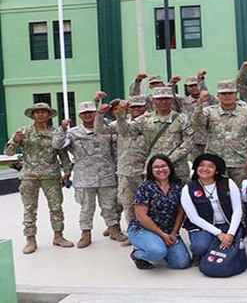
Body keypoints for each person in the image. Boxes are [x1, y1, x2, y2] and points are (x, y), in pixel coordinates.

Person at [52, 101, 127, 248]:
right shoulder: (73, 132)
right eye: (84, 113)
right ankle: (85, 233)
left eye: (91, 112)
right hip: (84, 177)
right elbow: (57, 145)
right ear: (80, 115)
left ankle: (114, 229)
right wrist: (62, 129)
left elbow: (116, 150)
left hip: (107, 174)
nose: (88, 115)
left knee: (110, 205)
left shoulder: (108, 129)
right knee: (86, 207)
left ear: (96, 113)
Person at [4, 103, 74, 254]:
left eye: (44, 112)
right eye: (37, 112)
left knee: (56, 208)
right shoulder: (24, 131)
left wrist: (67, 172)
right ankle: (30, 239)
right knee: (29, 209)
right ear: (32, 115)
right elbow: (9, 153)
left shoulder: (56, 133)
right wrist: (15, 141)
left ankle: (58, 236)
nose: (41, 115)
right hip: (29, 176)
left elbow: (63, 155)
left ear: (49, 115)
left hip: (51, 176)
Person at [116, 87, 195, 180]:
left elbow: (189, 142)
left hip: (177, 168)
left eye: (166, 99)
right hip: (154, 169)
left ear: (172, 100)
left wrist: (168, 160)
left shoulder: (182, 119)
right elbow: (126, 132)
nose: (163, 102)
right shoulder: (145, 119)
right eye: (159, 99)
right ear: (153, 100)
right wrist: (120, 115)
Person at [192, 80, 247, 186]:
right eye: (223, 93)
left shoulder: (246, 113)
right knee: (217, 193)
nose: (227, 96)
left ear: (236, 95)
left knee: (241, 194)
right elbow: (197, 123)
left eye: (230, 93)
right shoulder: (209, 111)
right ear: (218, 95)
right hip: (216, 163)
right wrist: (199, 104)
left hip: (240, 163)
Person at [128, 154, 190, 270]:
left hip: (168, 231)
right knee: (157, 251)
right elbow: (141, 217)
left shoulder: (178, 186)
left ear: (170, 168)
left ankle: (158, 247)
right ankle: (138, 255)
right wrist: (162, 235)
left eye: (164, 166)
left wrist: (174, 233)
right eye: (156, 167)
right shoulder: (145, 188)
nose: (161, 169)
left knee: (181, 263)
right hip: (143, 229)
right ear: (151, 170)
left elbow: (181, 212)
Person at [95, 95, 148, 230]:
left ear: (145, 107)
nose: (136, 109)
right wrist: (100, 114)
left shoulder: (151, 122)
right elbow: (100, 130)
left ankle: (150, 231)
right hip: (125, 170)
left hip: (146, 170)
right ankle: (133, 232)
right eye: (133, 107)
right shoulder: (121, 123)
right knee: (128, 203)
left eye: (139, 106)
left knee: (149, 203)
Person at [181, 153, 243, 265]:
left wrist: (230, 234)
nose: (205, 169)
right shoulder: (188, 188)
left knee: (234, 246)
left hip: (227, 224)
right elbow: (193, 217)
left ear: (216, 170)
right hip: (203, 227)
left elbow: (237, 210)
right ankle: (200, 253)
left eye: (210, 166)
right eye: (201, 165)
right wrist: (219, 234)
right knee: (200, 246)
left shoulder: (228, 183)